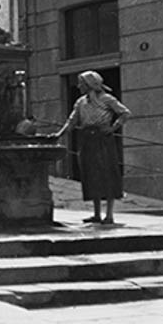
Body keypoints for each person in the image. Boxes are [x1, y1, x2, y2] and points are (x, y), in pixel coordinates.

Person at [55, 70, 131, 225]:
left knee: (108, 174)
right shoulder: (81, 102)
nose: (79, 86)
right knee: (91, 175)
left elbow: (125, 113)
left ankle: (109, 215)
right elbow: (72, 120)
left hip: (103, 139)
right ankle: (96, 213)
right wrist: (59, 134)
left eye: (81, 83)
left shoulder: (107, 99)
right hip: (86, 139)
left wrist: (113, 128)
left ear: (90, 84)